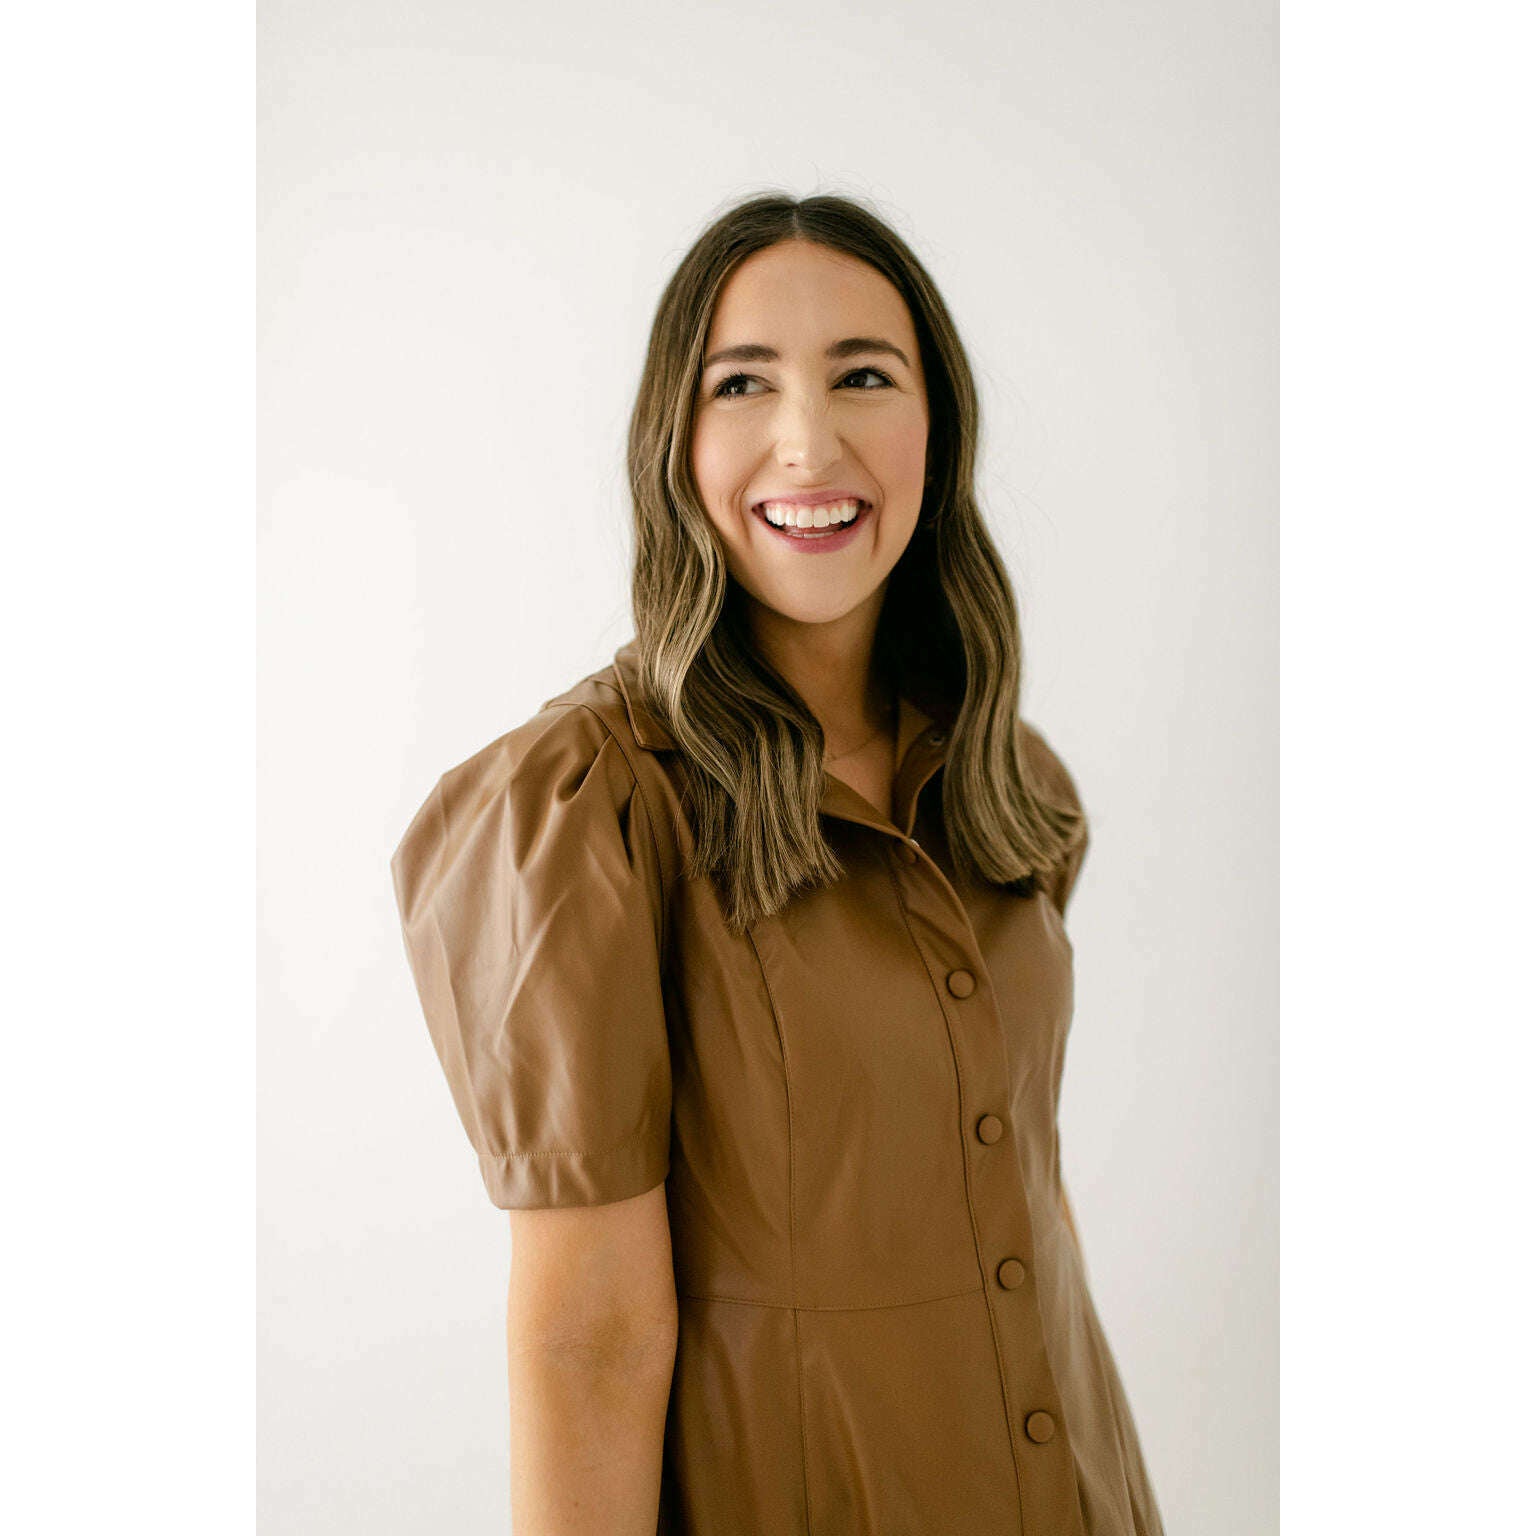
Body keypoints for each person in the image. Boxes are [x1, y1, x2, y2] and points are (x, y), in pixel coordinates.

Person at [390, 191, 1166, 1536]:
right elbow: (589, 1342)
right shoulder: (587, 814)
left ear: (937, 426)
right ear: (675, 442)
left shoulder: (1007, 784)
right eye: (742, 383)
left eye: (864, 375)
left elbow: (1024, 1202)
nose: (810, 441)